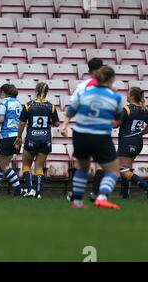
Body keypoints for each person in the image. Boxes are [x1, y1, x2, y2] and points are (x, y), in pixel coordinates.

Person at [60, 66, 123, 209]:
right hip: (100, 135)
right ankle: (102, 197)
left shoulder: (83, 92)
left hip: (80, 134)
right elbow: (118, 117)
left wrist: (64, 125)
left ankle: (77, 202)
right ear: (111, 79)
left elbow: (71, 110)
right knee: (113, 171)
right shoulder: (115, 96)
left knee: (82, 167)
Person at [15, 82, 60, 198]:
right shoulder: (52, 106)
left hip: (31, 138)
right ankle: (38, 192)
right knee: (39, 167)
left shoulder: (28, 105)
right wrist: (49, 122)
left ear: (36, 91)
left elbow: (22, 123)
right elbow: (57, 123)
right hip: (45, 139)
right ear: (47, 92)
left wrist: (19, 137)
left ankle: (30, 190)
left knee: (26, 165)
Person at [71, 57, 105, 201]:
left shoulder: (82, 86)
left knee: (81, 163)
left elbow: (73, 106)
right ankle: (96, 193)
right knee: (101, 163)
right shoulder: (107, 86)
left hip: (83, 128)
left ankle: (76, 195)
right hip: (100, 129)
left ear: (88, 70)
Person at [114, 87, 148, 199]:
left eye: (128, 94)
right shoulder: (145, 109)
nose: (127, 96)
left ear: (132, 96)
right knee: (125, 168)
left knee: (122, 169)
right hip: (138, 142)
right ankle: (124, 195)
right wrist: (140, 134)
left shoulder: (127, 109)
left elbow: (115, 124)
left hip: (127, 142)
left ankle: (147, 187)